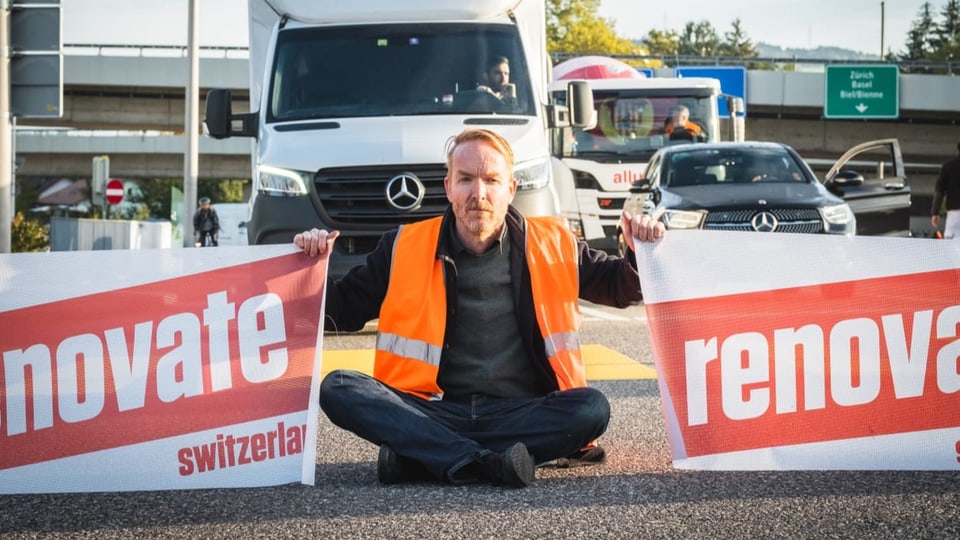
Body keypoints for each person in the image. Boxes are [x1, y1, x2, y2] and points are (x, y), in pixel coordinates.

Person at [294, 128, 665, 488]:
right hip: (431, 410)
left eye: (491, 180)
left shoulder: (554, 244)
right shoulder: (402, 247)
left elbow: (619, 286)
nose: (479, 193)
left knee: (592, 408)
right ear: (448, 188)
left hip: (520, 412)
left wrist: (638, 251)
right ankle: (486, 461)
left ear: (511, 189)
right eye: (466, 179)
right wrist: (309, 268)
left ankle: (428, 455)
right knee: (338, 386)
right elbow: (338, 312)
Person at [931, 140, 960, 239]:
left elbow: (940, 191)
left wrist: (935, 212)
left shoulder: (948, 167)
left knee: (951, 246)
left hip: (955, 213)